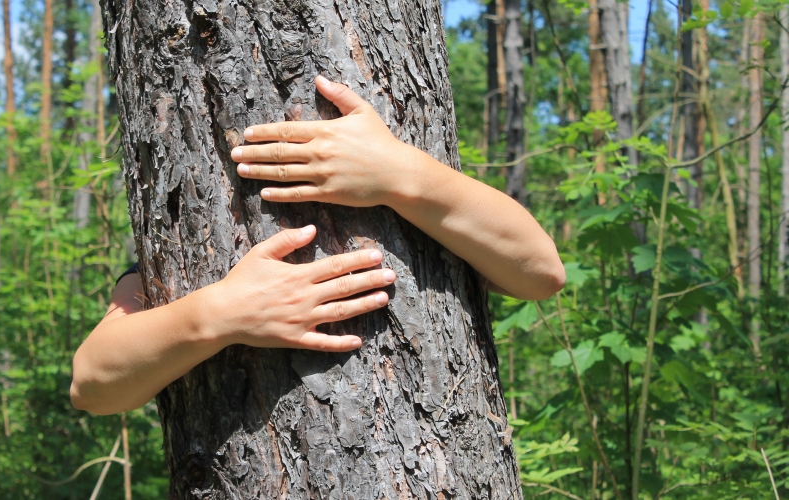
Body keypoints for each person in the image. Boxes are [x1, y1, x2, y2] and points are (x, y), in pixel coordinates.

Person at [70, 75, 565, 415]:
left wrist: (399, 172)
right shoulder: (171, 253)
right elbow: (93, 385)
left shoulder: (429, 209)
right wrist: (219, 313)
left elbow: (540, 271)